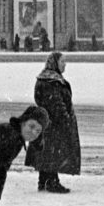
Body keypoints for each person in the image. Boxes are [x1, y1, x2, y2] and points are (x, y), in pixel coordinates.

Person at [25, 52, 81, 193]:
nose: (65, 64)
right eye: (62, 62)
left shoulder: (44, 78)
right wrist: (66, 119)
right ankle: (52, 182)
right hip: (54, 124)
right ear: (55, 63)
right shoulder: (52, 82)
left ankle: (43, 180)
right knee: (53, 153)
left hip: (45, 122)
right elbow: (57, 104)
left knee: (46, 153)